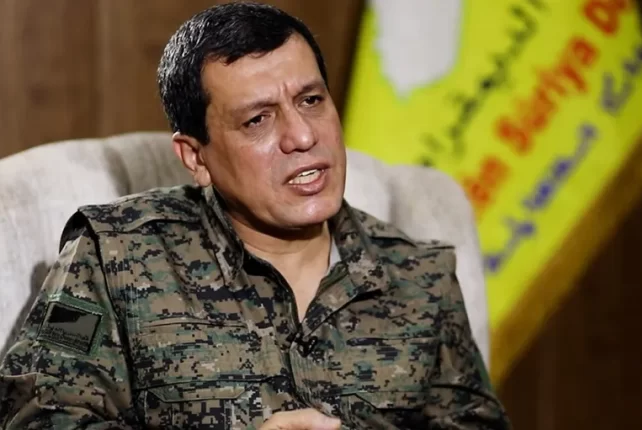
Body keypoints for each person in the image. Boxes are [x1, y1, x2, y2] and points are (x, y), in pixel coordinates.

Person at [0, 2, 511, 429]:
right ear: (196, 157)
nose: (303, 136)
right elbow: (37, 417)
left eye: (311, 100)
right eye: (258, 119)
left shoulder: (422, 277)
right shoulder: (108, 256)